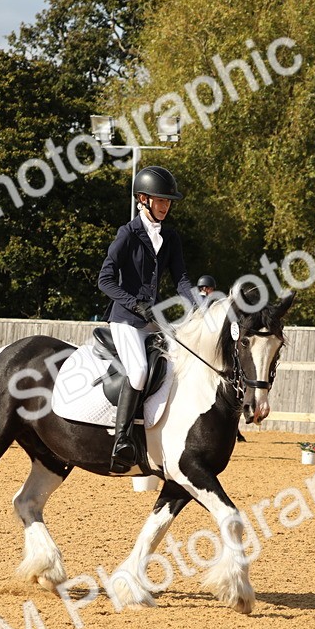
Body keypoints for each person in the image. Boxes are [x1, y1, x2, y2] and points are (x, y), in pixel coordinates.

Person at [97, 165, 197, 473]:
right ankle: (122, 440)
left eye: (168, 201)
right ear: (143, 199)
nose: (166, 206)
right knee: (139, 371)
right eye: (160, 200)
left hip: (153, 320)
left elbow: (181, 278)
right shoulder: (128, 234)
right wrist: (134, 304)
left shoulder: (170, 237)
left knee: (181, 363)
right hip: (125, 319)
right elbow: (105, 279)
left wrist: (198, 305)